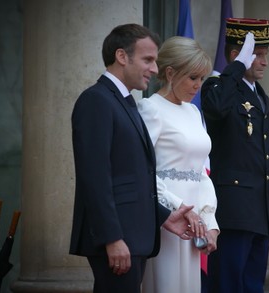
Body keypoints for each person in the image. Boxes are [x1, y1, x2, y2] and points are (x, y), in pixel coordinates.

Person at [69, 24, 194, 293]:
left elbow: (134, 176)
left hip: (135, 236)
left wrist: (163, 216)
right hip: (118, 240)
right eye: (147, 60)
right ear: (122, 57)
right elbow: (95, 177)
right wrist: (112, 238)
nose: (155, 69)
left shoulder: (125, 102)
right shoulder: (96, 100)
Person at [137, 36, 220, 293]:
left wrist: (210, 221)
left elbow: (201, 172)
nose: (198, 86)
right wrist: (178, 208)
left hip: (195, 224)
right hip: (166, 219)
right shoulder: (150, 108)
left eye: (202, 79)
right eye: (192, 78)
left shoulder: (193, 112)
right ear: (170, 73)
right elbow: (142, 169)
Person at [201, 18, 269, 293]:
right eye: (258, 55)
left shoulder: (259, 94)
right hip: (233, 209)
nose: (265, 62)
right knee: (228, 284)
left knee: (252, 285)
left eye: (265, 55)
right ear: (237, 56)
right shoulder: (218, 86)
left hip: (257, 209)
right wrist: (235, 69)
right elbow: (214, 107)